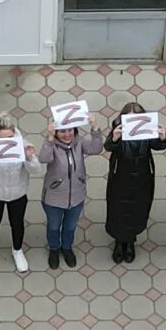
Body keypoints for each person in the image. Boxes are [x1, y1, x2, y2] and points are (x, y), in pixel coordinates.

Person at [100, 102, 166, 264]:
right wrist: (115, 138)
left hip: (142, 179)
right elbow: (108, 146)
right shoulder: (119, 130)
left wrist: (163, 137)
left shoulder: (148, 130)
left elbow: (158, 145)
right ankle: (119, 241)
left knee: (137, 210)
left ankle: (130, 242)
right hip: (120, 178)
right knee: (118, 210)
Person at [0, 116, 41, 274]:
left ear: (15, 133)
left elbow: (36, 170)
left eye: (10, 137)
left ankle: (17, 251)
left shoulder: (24, 145)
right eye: (2, 138)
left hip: (17, 193)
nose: (7, 141)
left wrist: (30, 157)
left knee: (17, 223)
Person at [38, 115, 98, 269]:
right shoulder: (52, 145)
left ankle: (67, 247)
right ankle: (53, 248)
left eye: (70, 130)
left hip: (77, 196)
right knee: (53, 226)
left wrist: (95, 129)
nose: (67, 134)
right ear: (56, 133)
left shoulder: (79, 143)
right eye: (62, 131)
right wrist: (49, 139)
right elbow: (44, 158)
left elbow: (96, 148)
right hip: (54, 198)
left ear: (75, 129)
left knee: (70, 226)